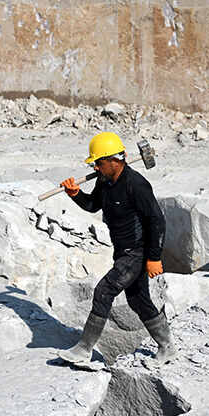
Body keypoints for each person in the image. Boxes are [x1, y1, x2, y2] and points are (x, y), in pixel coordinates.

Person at [56, 131, 177, 367]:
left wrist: (154, 257)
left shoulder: (136, 184)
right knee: (138, 301)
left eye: (99, 163)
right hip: (122, 252)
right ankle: (168, 348)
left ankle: (84, 349)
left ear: (115, 160)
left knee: (104, 290)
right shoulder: (105, 181)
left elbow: (157, 221)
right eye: (94, 164)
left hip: (137, 252)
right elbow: (93, 205)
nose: (96, 168)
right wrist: (75, 194)